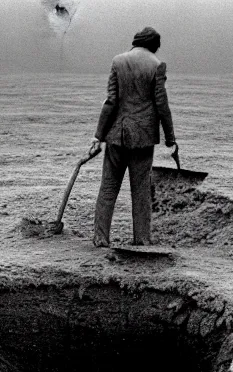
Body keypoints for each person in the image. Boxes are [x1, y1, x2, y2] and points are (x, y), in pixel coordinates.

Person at [91, 26, 176, 247]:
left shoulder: (118, 61)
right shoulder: (157, 65)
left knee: (108, 188)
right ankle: (142, 240)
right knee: (140, 191)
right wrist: (170, 139)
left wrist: (97, 136)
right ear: (154, 45)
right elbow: (161, 104)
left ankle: (100, 239)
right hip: (143, 138)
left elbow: (110, 102)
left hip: (116, 135)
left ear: (135, 41)